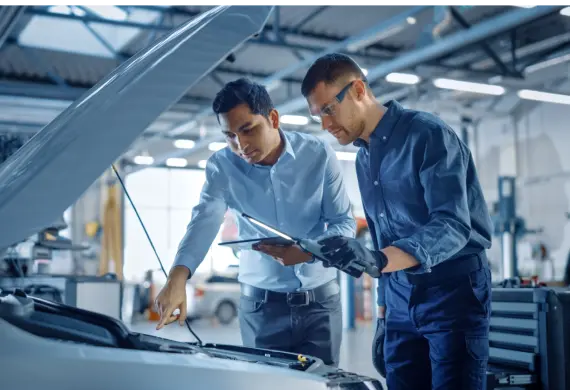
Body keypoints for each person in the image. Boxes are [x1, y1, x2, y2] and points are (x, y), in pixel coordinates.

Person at [300, 53, 494, 389]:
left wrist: (379, 260)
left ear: (358, 89)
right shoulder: (364, 158)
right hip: (399, 297)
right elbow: (380, 235)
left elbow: (451, 225)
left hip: (454, 292)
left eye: (328, 109)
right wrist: (384, 313)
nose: (325, 125)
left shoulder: (428, 135)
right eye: (318, 116)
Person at [154, 77, 356, 367]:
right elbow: (204, 220)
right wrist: (177, 277)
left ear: (273, 118)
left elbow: (343, 224)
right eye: (230, 136)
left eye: (248, 129)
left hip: (321, 306)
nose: (241, 145)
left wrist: (308, 251)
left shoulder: (318, 155)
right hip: (261, 310)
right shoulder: (222, 166)